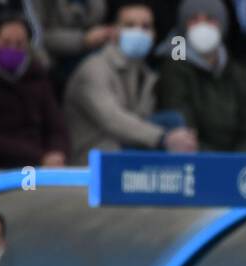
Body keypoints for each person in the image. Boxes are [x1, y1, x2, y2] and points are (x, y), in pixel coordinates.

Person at [64, 0, 197, 156]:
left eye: (146, 27)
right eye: (129, 25)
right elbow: (112, 119)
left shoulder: (147, 75)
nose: (138, 32)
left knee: (173, 122)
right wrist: (162, 138)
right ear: (113, 31)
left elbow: (141, 121)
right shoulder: (93, 69)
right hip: (97, 151)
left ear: (154, 34)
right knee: (169, 131)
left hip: (127, 145)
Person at [0, 14, 69, 168]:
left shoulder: (37, 77)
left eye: (19, 44)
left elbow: (56, 126)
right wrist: (40, 157)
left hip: (45, 162)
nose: (12, 49)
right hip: (3, 166)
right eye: (6, 43)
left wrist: (57, 152)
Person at [155, 0, 246, 152]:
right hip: (198, 161)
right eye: (194, 19)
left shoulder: (237, 72)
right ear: (183, 25)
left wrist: (239, 162)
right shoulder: (174, 67)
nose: (202, 26)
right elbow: (183, 126)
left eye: (210, 19)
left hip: (236, 164)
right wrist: (216, 162)